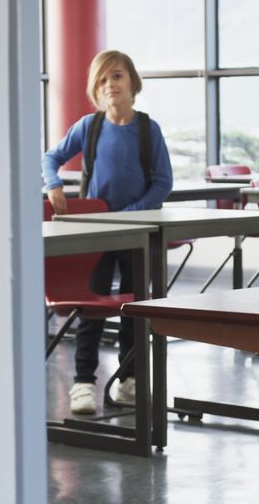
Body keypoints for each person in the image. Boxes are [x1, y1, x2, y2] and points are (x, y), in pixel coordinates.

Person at [41, 50, 173, 414]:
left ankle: (128, 381)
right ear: (95, 89)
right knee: (91, 310)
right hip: (95, 238)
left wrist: (126, 217)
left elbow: (162, 184)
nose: (109, 85)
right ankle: (84, 383)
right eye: (102, 80)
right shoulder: (89, 127)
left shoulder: (149, 130)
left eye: (116, 76)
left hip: (136, 234)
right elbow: (50, 157)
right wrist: (53, 184)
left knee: (134, 308)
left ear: (132, 82)